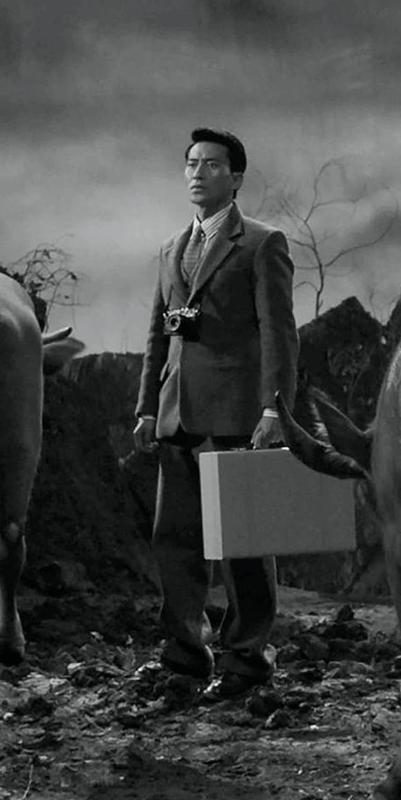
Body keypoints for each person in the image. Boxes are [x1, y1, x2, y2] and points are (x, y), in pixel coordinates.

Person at [133, 128, 298, 700]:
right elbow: (159, 335)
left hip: (237, 414)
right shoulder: (170, 249)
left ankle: (246, 658)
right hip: (178, 413)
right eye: (190, 163)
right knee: (174, 540)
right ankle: (184, 656)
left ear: (236, 178)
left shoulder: (261, 244)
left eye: (211, 164)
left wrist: (275, 408)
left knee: (245, 545)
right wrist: (147, 410)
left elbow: (280, 335)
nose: (197, 172)